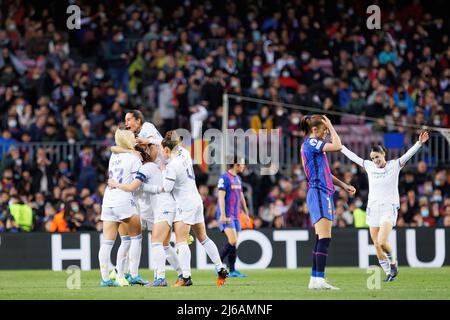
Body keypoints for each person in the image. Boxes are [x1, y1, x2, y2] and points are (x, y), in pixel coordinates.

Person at [341, 131, 430, 282]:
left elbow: (408, 155)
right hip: (373, 208)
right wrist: (341, 147)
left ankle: (393, 263)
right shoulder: (369, 166)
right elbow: (354, 157)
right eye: (373, 158)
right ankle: (389, 272)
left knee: (382, 241)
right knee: (376, 244)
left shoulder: (395, 165)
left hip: (388, 208)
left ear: (384, 154)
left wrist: (419, 143)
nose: (375, 160)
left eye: (377, 157)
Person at [144, 131, 229, 287]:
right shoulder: (185, 153)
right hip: (196, 200)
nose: (162, 153)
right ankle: (220, 268)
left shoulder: (171, 167)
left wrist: (162, 171)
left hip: (184, 204)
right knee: (203, 238)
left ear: (168, 150)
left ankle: (186, 277)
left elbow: (167, 188)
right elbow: (172, 144)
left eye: (163, 150)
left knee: (181, 241)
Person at [108, 139, 183, 287]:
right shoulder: (153, 167)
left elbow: (132, 187)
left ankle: (159, 278)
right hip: (166, 207)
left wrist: (115, 184)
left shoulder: (145, 169)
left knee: (155, 242)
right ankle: (183, 274)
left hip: (163, 207)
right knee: (165, 245)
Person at [300, 115, 356, 290]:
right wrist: (331, 125)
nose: (326, 133)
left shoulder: (312, 146)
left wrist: (343, 185)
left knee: (320, 238)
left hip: (321, 191)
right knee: (324, 238)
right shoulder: (311, 143)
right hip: (319, 192)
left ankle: (315, 279)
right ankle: (320, 279)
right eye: (323, 130)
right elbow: (338, 146)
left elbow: (326, 173)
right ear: (314, 130)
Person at [98, 129, 148, 287]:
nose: (135, 139)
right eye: (133, 137)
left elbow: (114, 148)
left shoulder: (114, 155)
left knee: (107, 242)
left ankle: (105, 279)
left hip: (108, 199)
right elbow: (136, 186)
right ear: (128, 140)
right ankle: (130, 275)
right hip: (124, 200)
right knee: (135, 238)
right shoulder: (134, 159)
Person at [217, 156, 250, 277]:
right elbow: (220, 197)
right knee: (233, 240)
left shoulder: (238, 179)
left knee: (234, 243)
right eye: (242, 163)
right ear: (235, 164)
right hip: (227, 215)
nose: (243, 165)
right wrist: (223, 215)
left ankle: (232, 270)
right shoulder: (224, 178)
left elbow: (241, 198)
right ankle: (218, 265)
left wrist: (246, 214)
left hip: (236, 216)